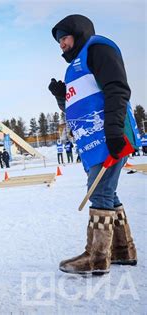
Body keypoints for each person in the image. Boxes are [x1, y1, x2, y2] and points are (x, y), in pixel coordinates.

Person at [48, 14, 141, 275]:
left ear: (78, 33)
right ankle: (123, 250)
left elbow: (117, 89)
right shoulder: (75, 67)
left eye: (64, 38)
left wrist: (113, 131)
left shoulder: (98, 49)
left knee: (98, 191)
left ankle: (97, 257)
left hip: (107, 136)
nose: (61, 45)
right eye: (59, 41)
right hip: (93, 142)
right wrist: (61, 97)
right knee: (107, 192)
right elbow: (80, 108)